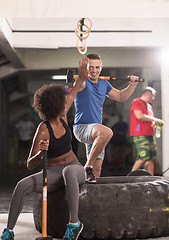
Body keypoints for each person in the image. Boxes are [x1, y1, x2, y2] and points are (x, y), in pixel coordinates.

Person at [0, 57, 89, 240]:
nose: (66, 104)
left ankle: (74, 224)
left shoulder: (63, 115)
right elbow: (30, 165)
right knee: (21, 185)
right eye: (62, 103)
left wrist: (82, 76)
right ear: (53, 107)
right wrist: (40, 153)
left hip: (75, 168)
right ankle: (8, 231)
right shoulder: (43, 130)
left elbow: (75, 89)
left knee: (69, 172)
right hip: (54, 172)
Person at [73, 53, 138, 182]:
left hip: (97, 134)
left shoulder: (104, 84)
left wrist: (132, 85)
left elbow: (120, 97)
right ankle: (87, 166)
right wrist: (80, 77)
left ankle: (89, 198)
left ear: (101, 68)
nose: (94, 70)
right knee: (107, 132)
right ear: (85, 68)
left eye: (97, 67)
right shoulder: (82, 82)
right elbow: (79, 84)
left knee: (97, 171)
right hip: (82, 128)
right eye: (90, 67)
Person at [130, 86, 163, 176]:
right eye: (153, 96)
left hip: (149, 134)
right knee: (144, 156)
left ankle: (150, 180)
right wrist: (155, 119)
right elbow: (139, 116)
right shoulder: (137, 102)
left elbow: (149, 119)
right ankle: (129, 178)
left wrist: (155, 123)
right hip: (140, 134)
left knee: (152, 157)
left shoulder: (149, 106)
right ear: (149, 94)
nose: (153, 98)